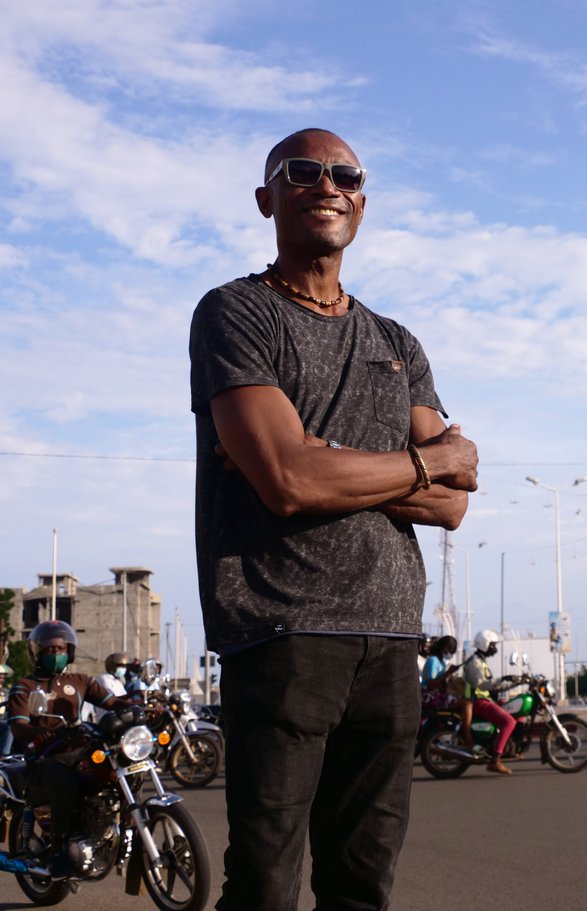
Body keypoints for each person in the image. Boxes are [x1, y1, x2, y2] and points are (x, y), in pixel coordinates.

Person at [189, 128, 479, 911]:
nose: (327, 184)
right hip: (281, 632)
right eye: (303, 171)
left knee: (362, 884)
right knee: (266, 883)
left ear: (361, 199)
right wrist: (414, 464)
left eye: (345, 174)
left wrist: (333, 460)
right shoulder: (235, 314)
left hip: (390, 638)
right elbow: (286, 482)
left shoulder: (395, 341)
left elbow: (453, 499)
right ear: (267, 198)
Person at [6, 621, 133, 872]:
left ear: (70, 652)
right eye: (50, 650)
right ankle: (57, 850)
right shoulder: (25, 686)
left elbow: (112, 702)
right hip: (43, 758)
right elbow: (18, 726)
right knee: (66, 783)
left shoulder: (80, 681)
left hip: (78, 750)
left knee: (121, 771)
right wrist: (45, 733)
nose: (56, 654)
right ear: (38, 652)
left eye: (61, 649)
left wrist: (140, 706)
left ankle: (123, 830)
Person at [464, 630, 516, 775]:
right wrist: (505, 680)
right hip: (478, 701)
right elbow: (482, 685)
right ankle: (495, 760)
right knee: (509, 722)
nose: (495, 648)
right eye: (492, 645)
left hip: (486, 699)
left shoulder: (481, 661)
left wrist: (511, 681)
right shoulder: (474, 662)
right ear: (484, 644)